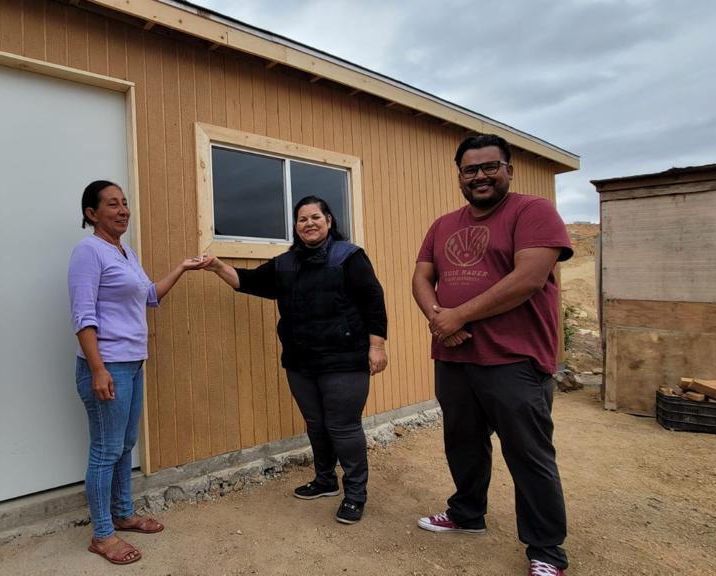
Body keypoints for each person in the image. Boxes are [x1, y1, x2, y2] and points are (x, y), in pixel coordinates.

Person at [411, 134, 573, 576]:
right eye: (470, 169)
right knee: (462, 442)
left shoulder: (532, 211)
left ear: (508, 169)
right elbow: (422, 276)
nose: (480, 175)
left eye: (490, 166)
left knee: (528, 453)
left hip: (515, 360)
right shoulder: (443, 224)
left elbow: (529, 279)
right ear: (460, 176)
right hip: (454, 357)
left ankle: (545, 550)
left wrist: (457, 316)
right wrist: (439, 318)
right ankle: (467, 513)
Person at [201, 195, 388, 525]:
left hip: (343, 359)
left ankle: (355, 493)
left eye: (316, 217)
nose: (309, 223)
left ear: (329, 222)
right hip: (301, 361)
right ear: (296, 227)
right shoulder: (285, 264)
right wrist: (217, 266)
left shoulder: (349, 257)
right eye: (302, 219)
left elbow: (373, 300)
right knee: (316, 424)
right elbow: (248, 280)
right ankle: (325, 479)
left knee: (343, 427)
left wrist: (377, 346)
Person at [68, 180, 206, 565]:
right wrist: (97, 370)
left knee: (125, 445)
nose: (123, 209)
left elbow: (149, 295)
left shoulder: (125, 252)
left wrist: (181, 267)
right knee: (105, 450)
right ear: (92, 214)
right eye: (113, 204)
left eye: (125, 203)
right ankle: (102, 534)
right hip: (107, 365)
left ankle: (123, 512)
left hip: (132, 363)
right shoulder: (88, 251)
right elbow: (83, 315)